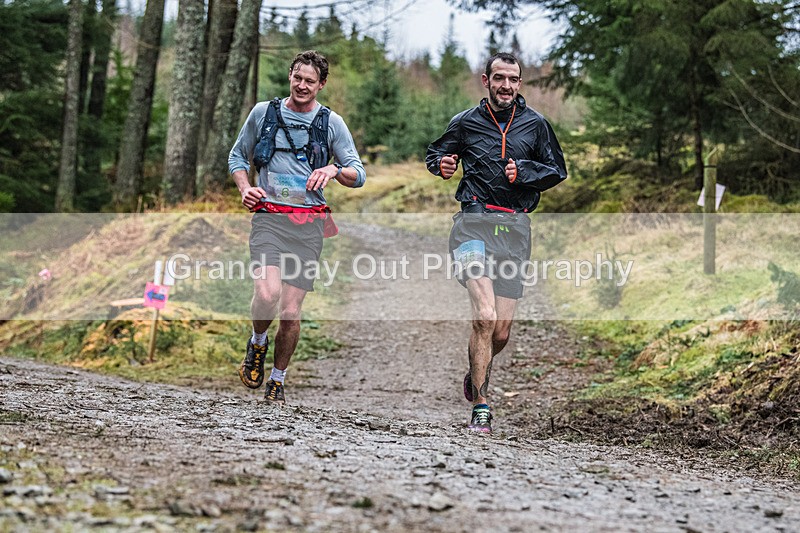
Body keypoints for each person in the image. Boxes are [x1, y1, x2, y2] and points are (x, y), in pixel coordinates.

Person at [426, 52, 567, 433]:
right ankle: (482, 408)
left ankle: (477, 368)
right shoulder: (466, 122)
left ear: (520, 84)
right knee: (484, 317)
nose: (506, 85)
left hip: (515, 229)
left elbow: (557, 170)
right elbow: (435, 152)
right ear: (485, 80)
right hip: (473, 223)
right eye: (499, 78)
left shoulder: (536, 125)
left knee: (500, 331)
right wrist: (441, 164)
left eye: (513, 79)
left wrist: (524, 172)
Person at [229, 50, 365, 404]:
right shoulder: (264, 113)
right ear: (290, 76)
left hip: (308, 225)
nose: (302, 86)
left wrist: (334, 170)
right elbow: (237, 157)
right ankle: (257, 341)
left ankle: (278, 379)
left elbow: (358, 174)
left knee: (290, 312)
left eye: (310, 81)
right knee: (268, 294)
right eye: (297, 78)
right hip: (269, 218)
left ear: (321, 84)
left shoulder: (331, 123)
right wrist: (246, 188)